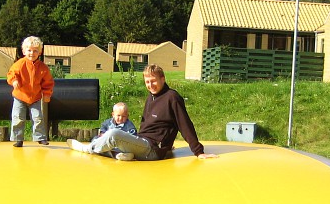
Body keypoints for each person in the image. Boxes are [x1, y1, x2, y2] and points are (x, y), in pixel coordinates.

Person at [68, 64, 218, 161]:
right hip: (143, 142)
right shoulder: (150, 98)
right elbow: (148, 127)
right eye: (147, 82)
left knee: (113, 133)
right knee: (109, 136)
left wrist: (198, 152)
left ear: (163, 79)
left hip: (152, 150)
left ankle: (88, 148)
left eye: (153, 81)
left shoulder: (172, 97)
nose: (150, 85)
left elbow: (184, 124)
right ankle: (120, 154)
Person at [7, 36, 54, 147]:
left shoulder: (43, 68)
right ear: (24, 51)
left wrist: (47, 94)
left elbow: (48, 82)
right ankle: (18, 139)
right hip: (20, 96)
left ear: (40, 52)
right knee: (18, 117)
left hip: (35, 98)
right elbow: (11, 74)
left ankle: (40, 137)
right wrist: (14, 81)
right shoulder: (20, 64)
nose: (32, 53)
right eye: (29, 50)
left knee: (38, 117)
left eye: (35, 51)